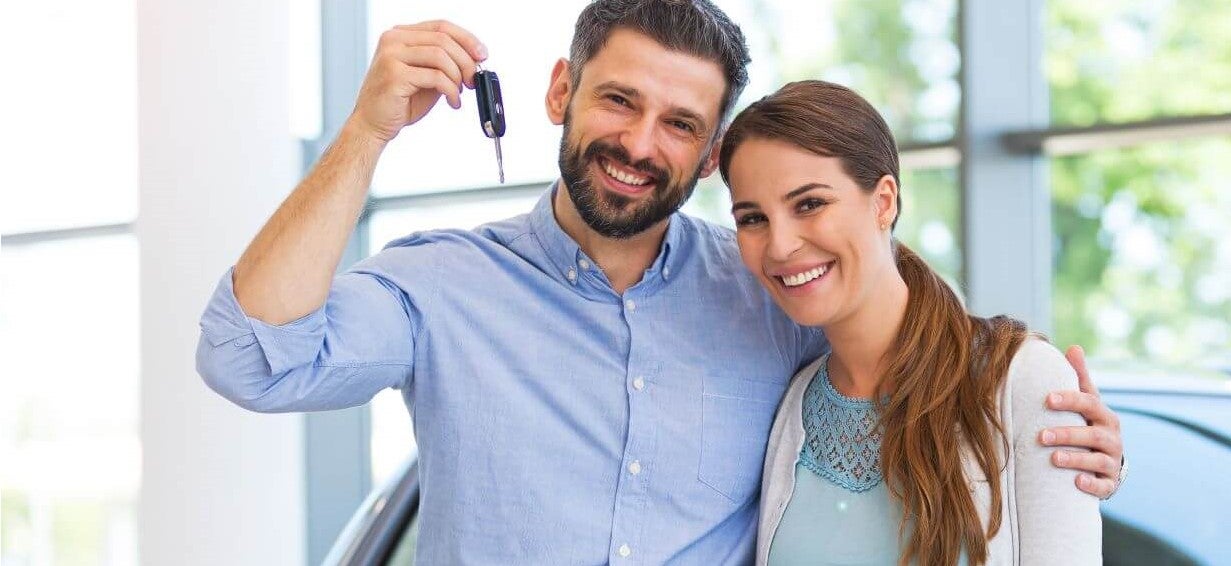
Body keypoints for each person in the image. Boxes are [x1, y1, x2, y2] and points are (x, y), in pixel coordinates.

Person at [196, 1, 1124, 563]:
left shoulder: (768, 290)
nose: (640, 144)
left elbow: (912, 358)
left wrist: (1065, 433)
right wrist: (367, 132)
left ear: (710, 152)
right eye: (618, 100)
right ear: (560, 93)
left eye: (680, 123)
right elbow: (249, 357)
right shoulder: (441, 285)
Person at [721, 81, 1102, 565]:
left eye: (809, 204)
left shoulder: (1020, 379)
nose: (780, 245)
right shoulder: (791, 406)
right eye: (753, 218)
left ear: (884, 202)